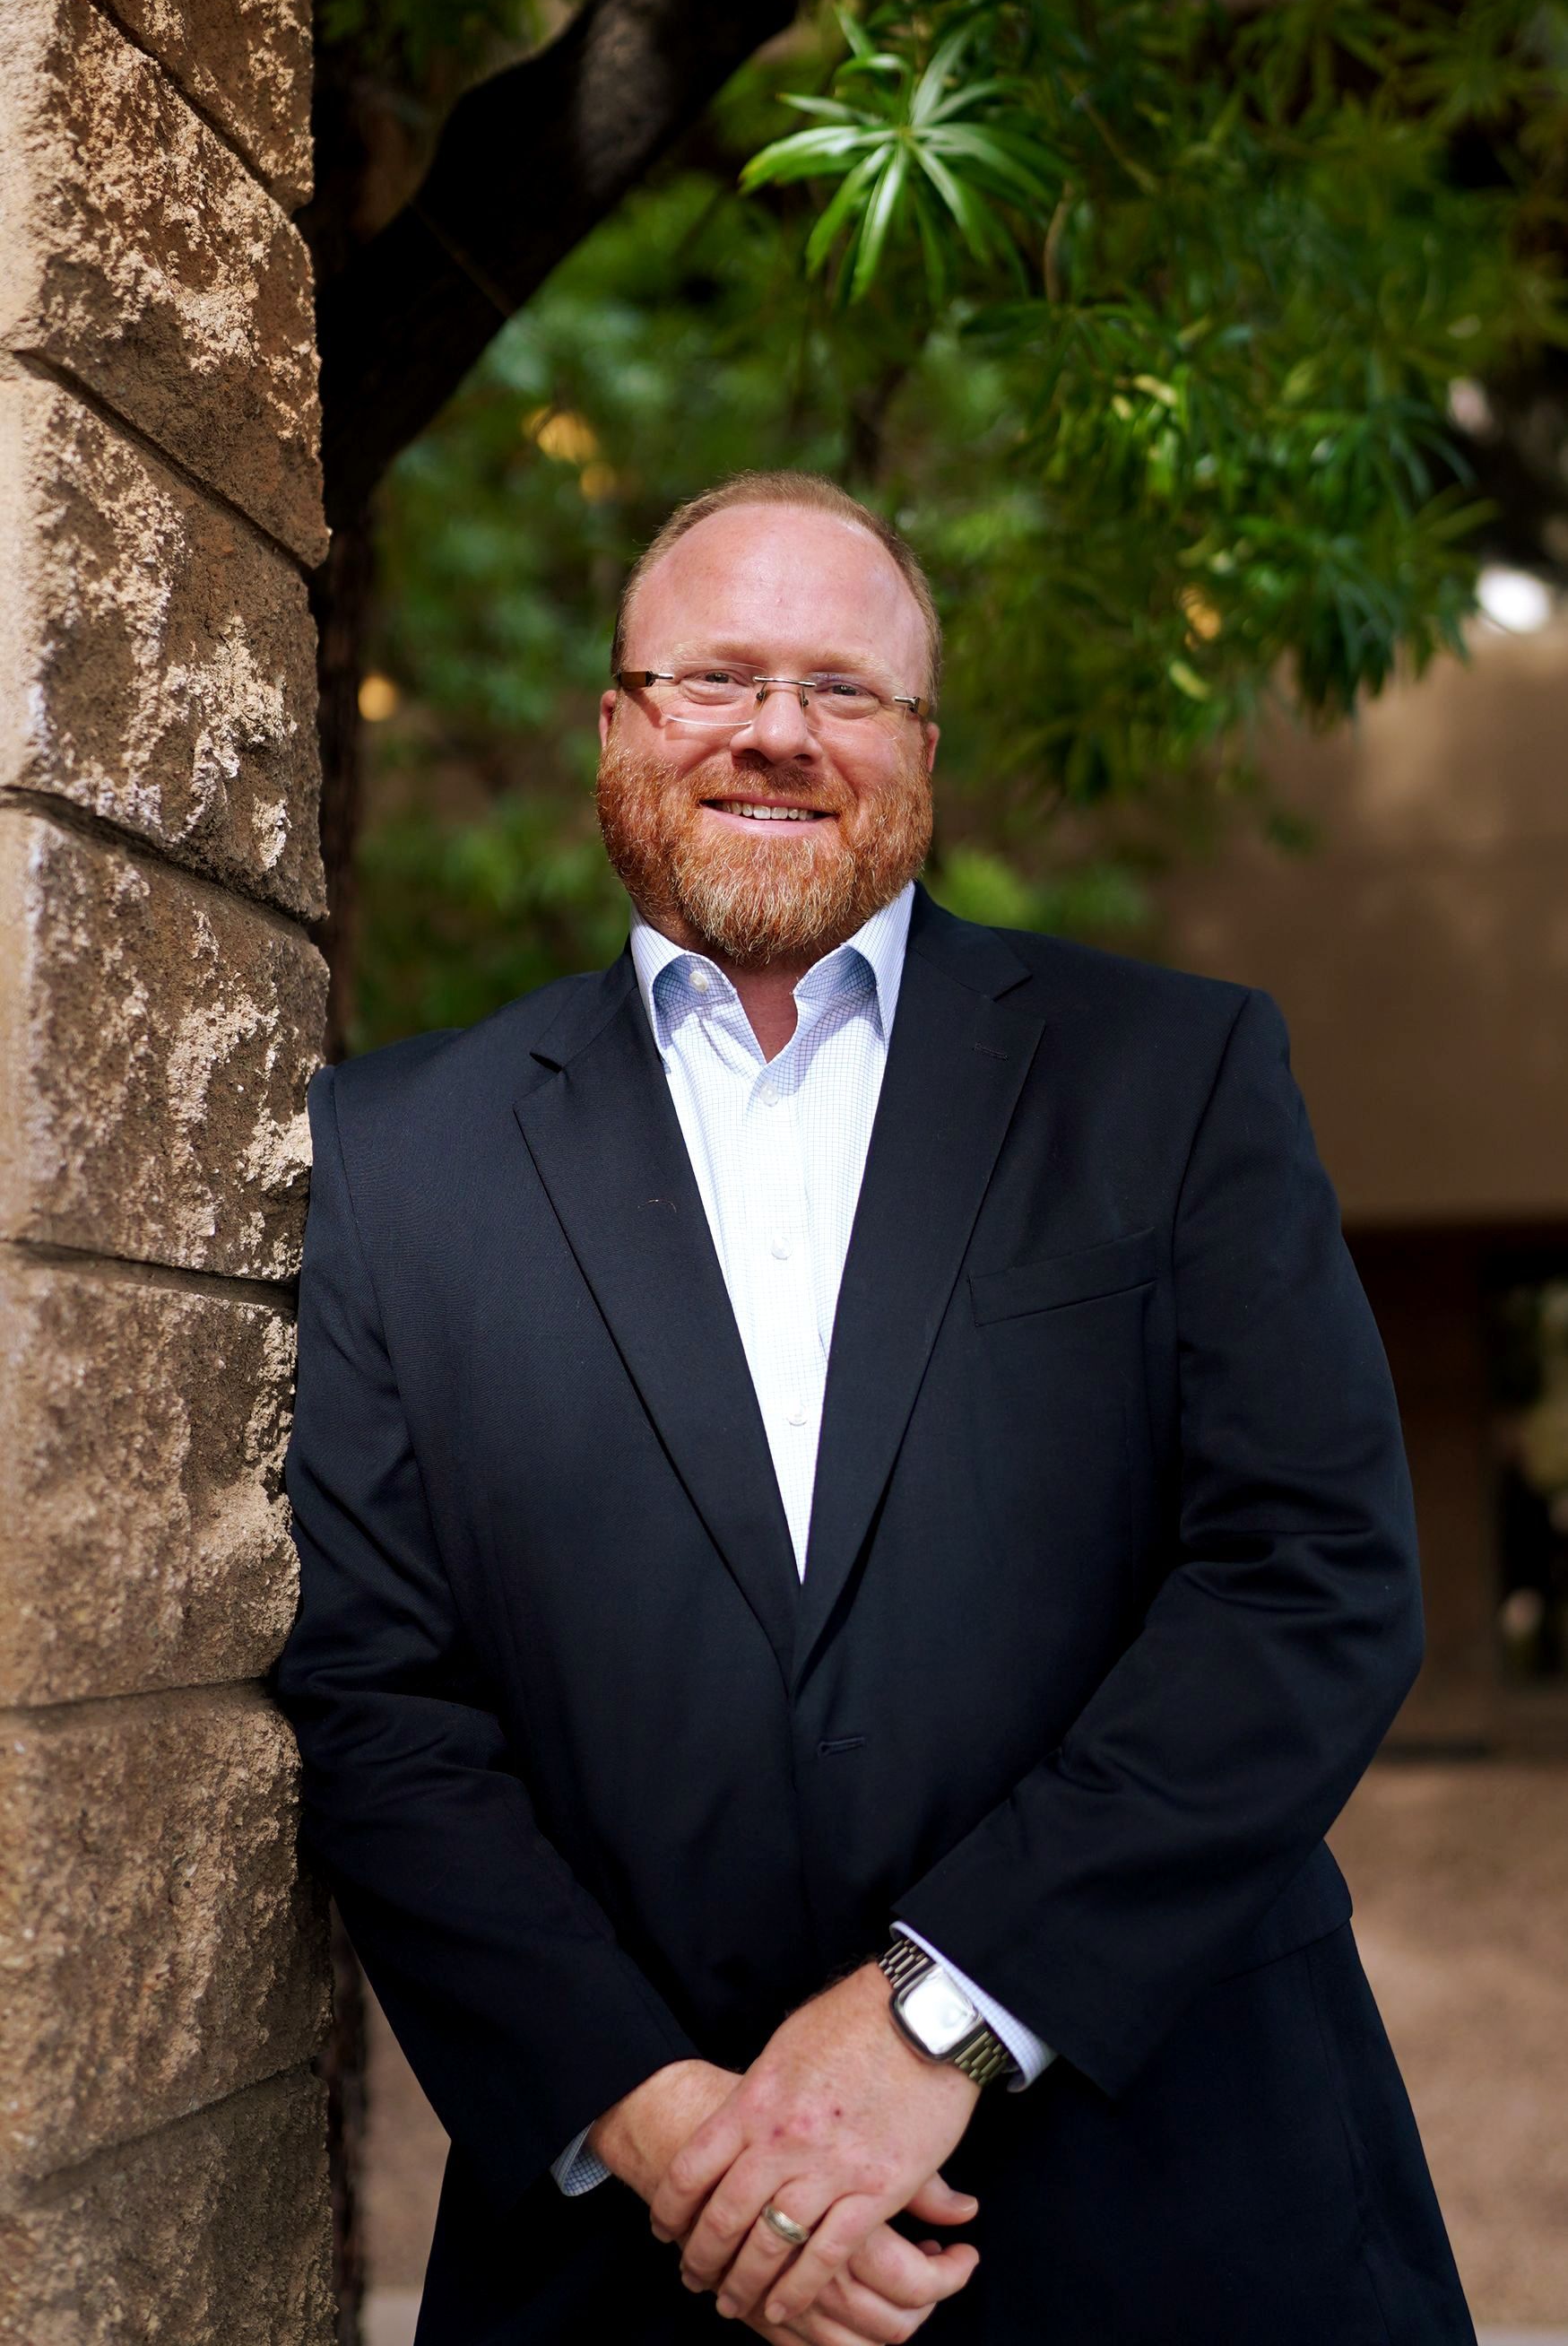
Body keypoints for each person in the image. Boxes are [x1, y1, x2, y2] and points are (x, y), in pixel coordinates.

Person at [273, 471, 1477, 2346]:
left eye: (842, 687)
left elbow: (1307, 1583)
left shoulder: (1168, 1079)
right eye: (711, 677)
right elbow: (372, 1696)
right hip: (644, 2256)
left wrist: (942, 2004)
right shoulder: (396, 1157)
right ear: (613, 724)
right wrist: (681, 2135)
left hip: (1176, 2209)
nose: (774, 729)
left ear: (920, 751)